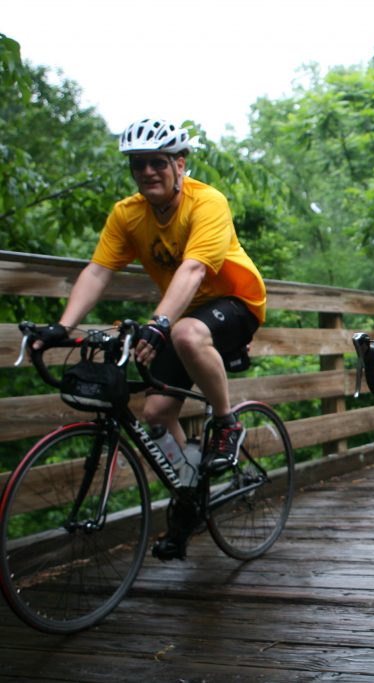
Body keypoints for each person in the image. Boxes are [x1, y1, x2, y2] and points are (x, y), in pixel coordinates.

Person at [35, 118, 266, 561]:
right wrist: (64, 327)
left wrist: (158, 322)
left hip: (235, 301)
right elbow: (99, 271)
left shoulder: (206, 202)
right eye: (138, 165)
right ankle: (188, 492)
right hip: (179, 313)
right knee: (157, 411)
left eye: (157, 162)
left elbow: (195, 269)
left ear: (179, 165)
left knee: (185, 330)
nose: (147, 172)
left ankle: (226, 422)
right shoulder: (128, 214)